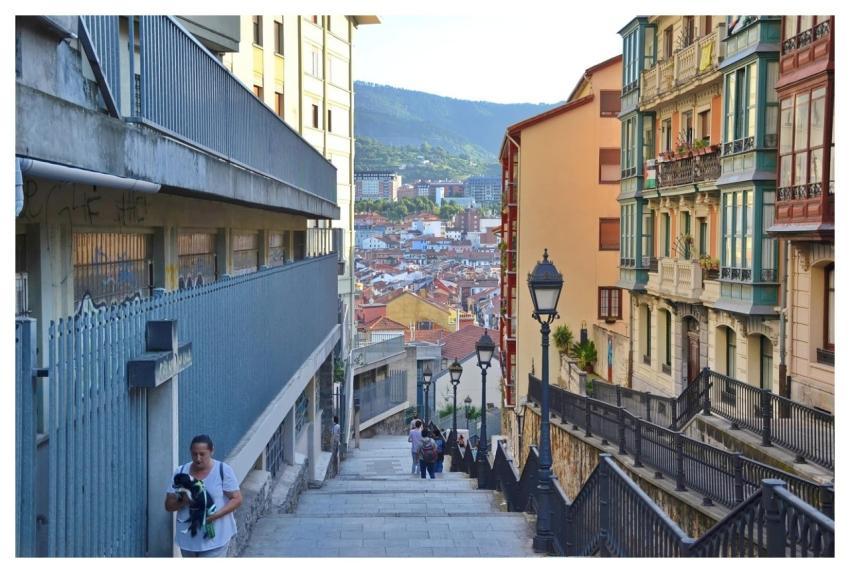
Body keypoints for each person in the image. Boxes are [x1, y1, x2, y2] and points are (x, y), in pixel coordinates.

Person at [165, 434, 243, 557]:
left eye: (202, 454)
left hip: (216, 539)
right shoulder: (180, 473)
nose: (198, 458)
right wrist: (183, 501)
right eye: (194, 454)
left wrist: (215, 516)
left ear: (212, 451)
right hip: (188, 541)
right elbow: (168, 506)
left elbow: (237, 499)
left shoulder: (223, 470)